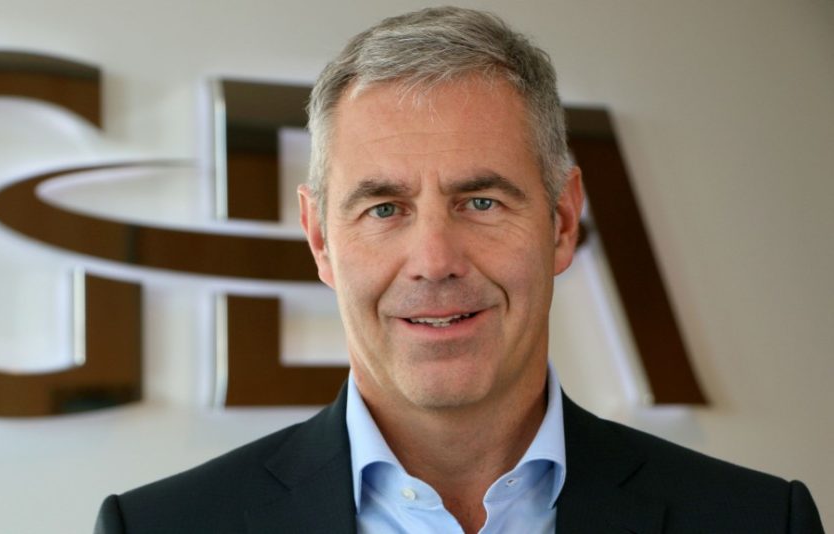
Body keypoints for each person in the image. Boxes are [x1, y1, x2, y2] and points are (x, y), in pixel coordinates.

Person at [94, 7, 824, 533]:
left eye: (480, 201)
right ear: (319, 239)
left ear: (561, 221)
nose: (435, 261)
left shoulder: (759, 521)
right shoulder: (159, 527)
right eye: (384, 208)